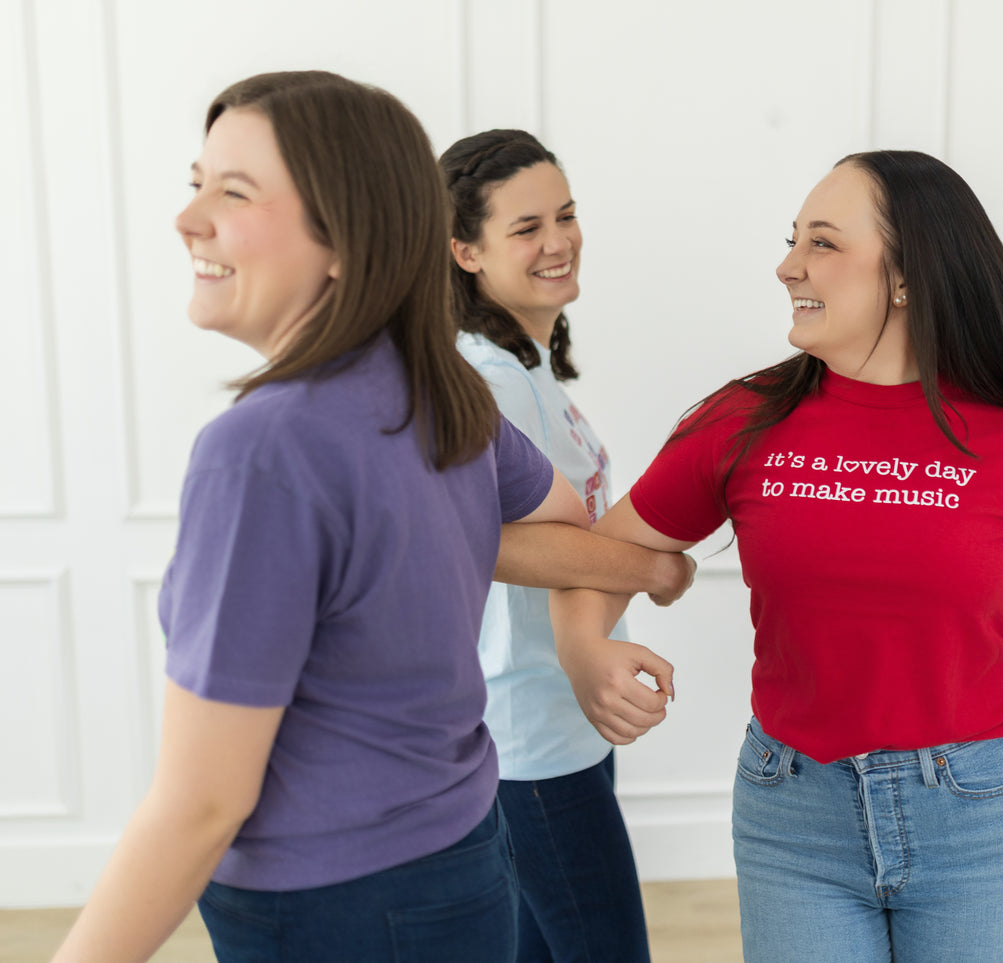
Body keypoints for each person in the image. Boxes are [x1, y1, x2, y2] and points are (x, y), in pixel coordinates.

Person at [52, 72, 689, 963]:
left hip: (333, 905)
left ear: (348, 238)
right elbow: (564, 519)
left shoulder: (263, 449)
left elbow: (201, 804)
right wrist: (654, 568)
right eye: (195, 183)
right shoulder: (445, 393)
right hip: (454, 863)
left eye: (232, 191)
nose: (188, 218)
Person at [550, 151, 1003, 963]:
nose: (786, 265)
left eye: (822, 243)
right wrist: (582, 649)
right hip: (792, 817)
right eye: (791, 240)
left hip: (976, 822)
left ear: (906, 275)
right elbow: (597, 557)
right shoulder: (740, 422)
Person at [439, 129, 661, 962]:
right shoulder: (489, 379)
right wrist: (654, 564)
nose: (558, 240)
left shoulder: (520, 365)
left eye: (564, 215)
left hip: (558, 715)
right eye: (525, 227)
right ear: (464, 249)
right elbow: (491, 543)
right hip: (527, 727)